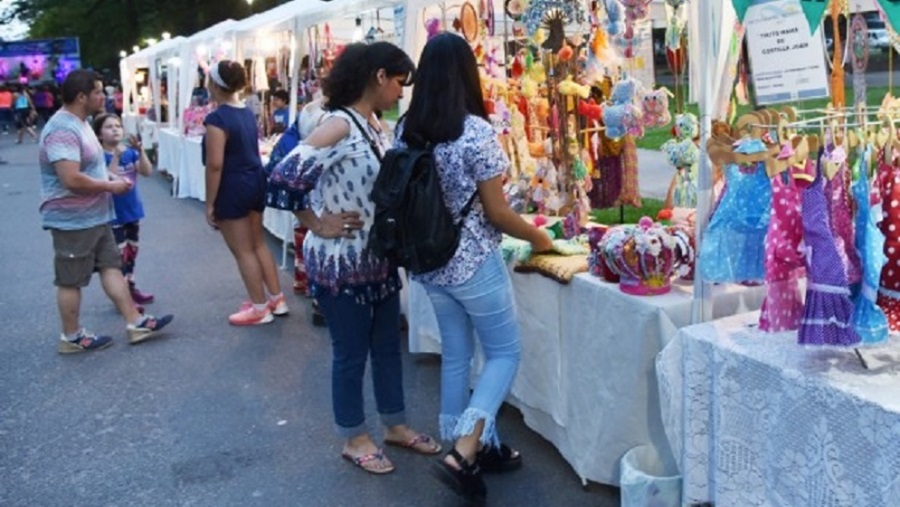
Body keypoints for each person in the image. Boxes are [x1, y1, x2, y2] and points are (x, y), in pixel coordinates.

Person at [265, 42, 440, 475]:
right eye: (399, 81)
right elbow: (283, 177)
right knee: (350, 353)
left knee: (386, 348)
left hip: (376, 256)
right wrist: (317, 222)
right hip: (341, 262)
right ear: (379, 76)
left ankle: (394, 424)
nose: (401, 92)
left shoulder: (373, 124)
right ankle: (354, 436)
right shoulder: (339, 125)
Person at [397, 33, 553, 503]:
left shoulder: (407, 128)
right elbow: (498, 212)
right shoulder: (475, 132)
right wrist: (540, 238)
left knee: (457, 355)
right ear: (467, 74)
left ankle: (473, 444)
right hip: (472, 263)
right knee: (504, 354)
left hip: (430, 263)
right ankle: (464, 453)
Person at [38, 69, 173, 353]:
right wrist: (110, 186)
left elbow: (92, 167)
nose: (104, 96)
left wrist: (111, 178)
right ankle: (71, 337)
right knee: (70, 280)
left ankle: (135, 322)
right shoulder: (63, 129)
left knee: (112, 267)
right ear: (81, 97)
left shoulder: (82, 123)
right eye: (98, 92)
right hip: (73, 220)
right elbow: (70, 179)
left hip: (97, 215)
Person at [203, 60, 287, 326]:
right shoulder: (246, 112)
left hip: (233, 185)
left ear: (215, 85)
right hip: (255, 181)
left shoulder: (217, 119)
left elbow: (215, 165)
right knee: (258, 243)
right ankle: (276, 299)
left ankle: (259, 307)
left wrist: (210, 203)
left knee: (243, 251)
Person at [92, 113, 156, 308]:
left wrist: (141, 151)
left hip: (132, 210)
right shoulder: (97, 156)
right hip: (112, 214)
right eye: (109, 127)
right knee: (118, 256)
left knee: (131, 251)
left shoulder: (130, 152)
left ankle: (131, 287)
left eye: (118, 126)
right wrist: (116, 156)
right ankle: (123, 297)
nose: (115, 129)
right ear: (99, 134)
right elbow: (107, 179)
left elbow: (146, 172)